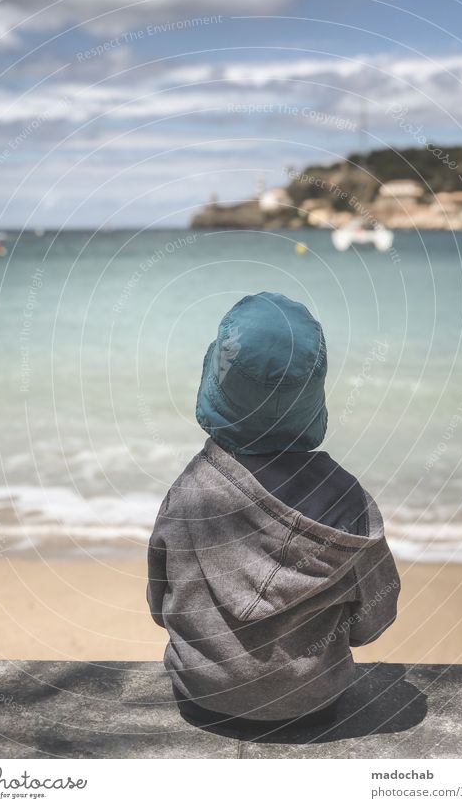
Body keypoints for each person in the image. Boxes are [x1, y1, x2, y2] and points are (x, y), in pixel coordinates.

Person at [147, 291, 400, 725]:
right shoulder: (347, 501)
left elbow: (159, 604)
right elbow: (373, 621)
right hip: (314, 705)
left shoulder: (189, 491)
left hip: (200, 700)